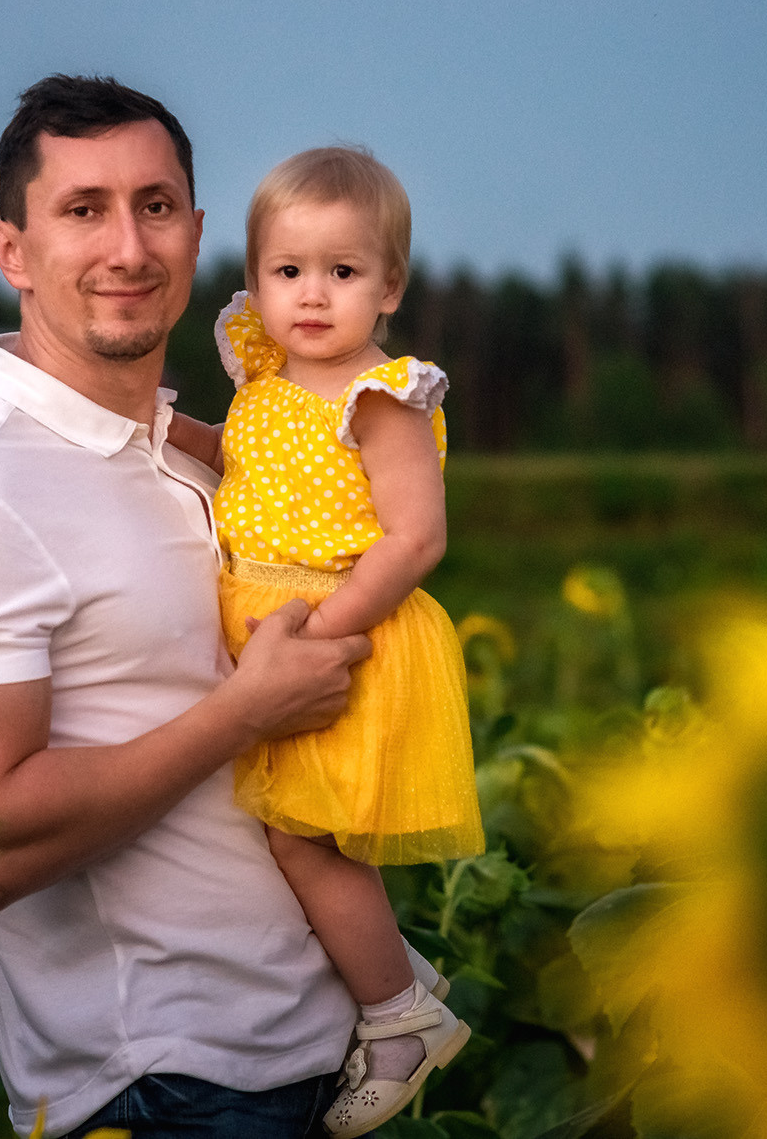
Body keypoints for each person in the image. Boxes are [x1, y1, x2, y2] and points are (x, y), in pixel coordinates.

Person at [0, 75, 412, 1139]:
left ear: (197, 232)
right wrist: (241, 712)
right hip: (162, 1086)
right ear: (11, 250)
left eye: (154, 206)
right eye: (82, 210)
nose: (127, 246)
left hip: (311, 1056)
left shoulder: (201, 454)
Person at [170, 146, 482, 1137]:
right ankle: (389, 964)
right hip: (275, 627)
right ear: (254, 278)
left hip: (339, 632)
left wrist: (319, 634)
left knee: (301, 838)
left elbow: (416, 538)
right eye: (287, 271)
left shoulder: (382, 394)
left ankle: (401, 1017)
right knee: (279, 828)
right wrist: (157, 428)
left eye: (342, 273)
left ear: (387, 285)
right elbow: (239, 460)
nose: (311, 296)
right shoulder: (263, 375)